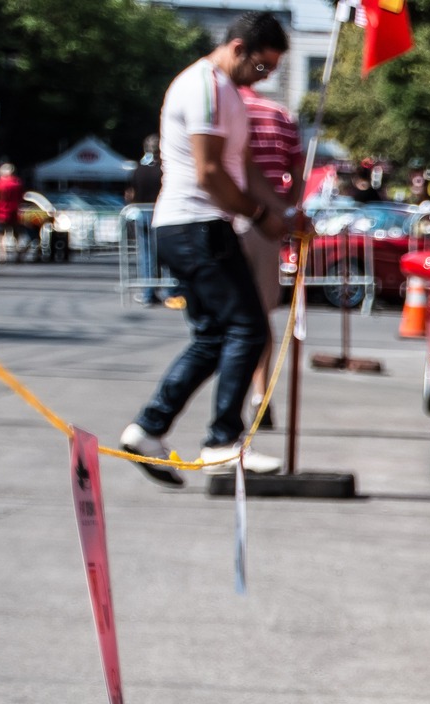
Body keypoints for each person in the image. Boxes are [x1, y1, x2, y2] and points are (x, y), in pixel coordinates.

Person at [119, 12, 297, 485]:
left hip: (200, 225)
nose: (266, 77)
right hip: (194, 223)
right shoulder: (204, 87)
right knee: (248, 328)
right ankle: (221, 441)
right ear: (237, 48)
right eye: (262, 66)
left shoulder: (228, 93)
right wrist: (262, 218)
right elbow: (210, 173)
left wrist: (284, 212)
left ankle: (149, 429)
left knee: (216, 335)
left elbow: (244, 168)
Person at [238, 81, 301, 429]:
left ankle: (233, 402)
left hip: (228, 216)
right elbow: (299, 167)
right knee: (259, 315)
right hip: (267, 226)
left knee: (229, 318)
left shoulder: (225, 107)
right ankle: (259, 393)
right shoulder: (280, 114)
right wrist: (286, 211)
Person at [126, 135, 165, 305]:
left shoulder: (138, 170)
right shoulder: (163, 169)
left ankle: (148, 293)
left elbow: (130, 193)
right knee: (164, 254)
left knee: (146, 255)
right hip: (161, 213)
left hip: (142, 213)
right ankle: (171, 291)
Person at [0, 162, 25, 261]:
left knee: (0, 235)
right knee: (16, 234)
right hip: (14, 212)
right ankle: (17, 253)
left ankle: (2, 254)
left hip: (0, 212)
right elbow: (21, 198)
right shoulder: (17, 183)